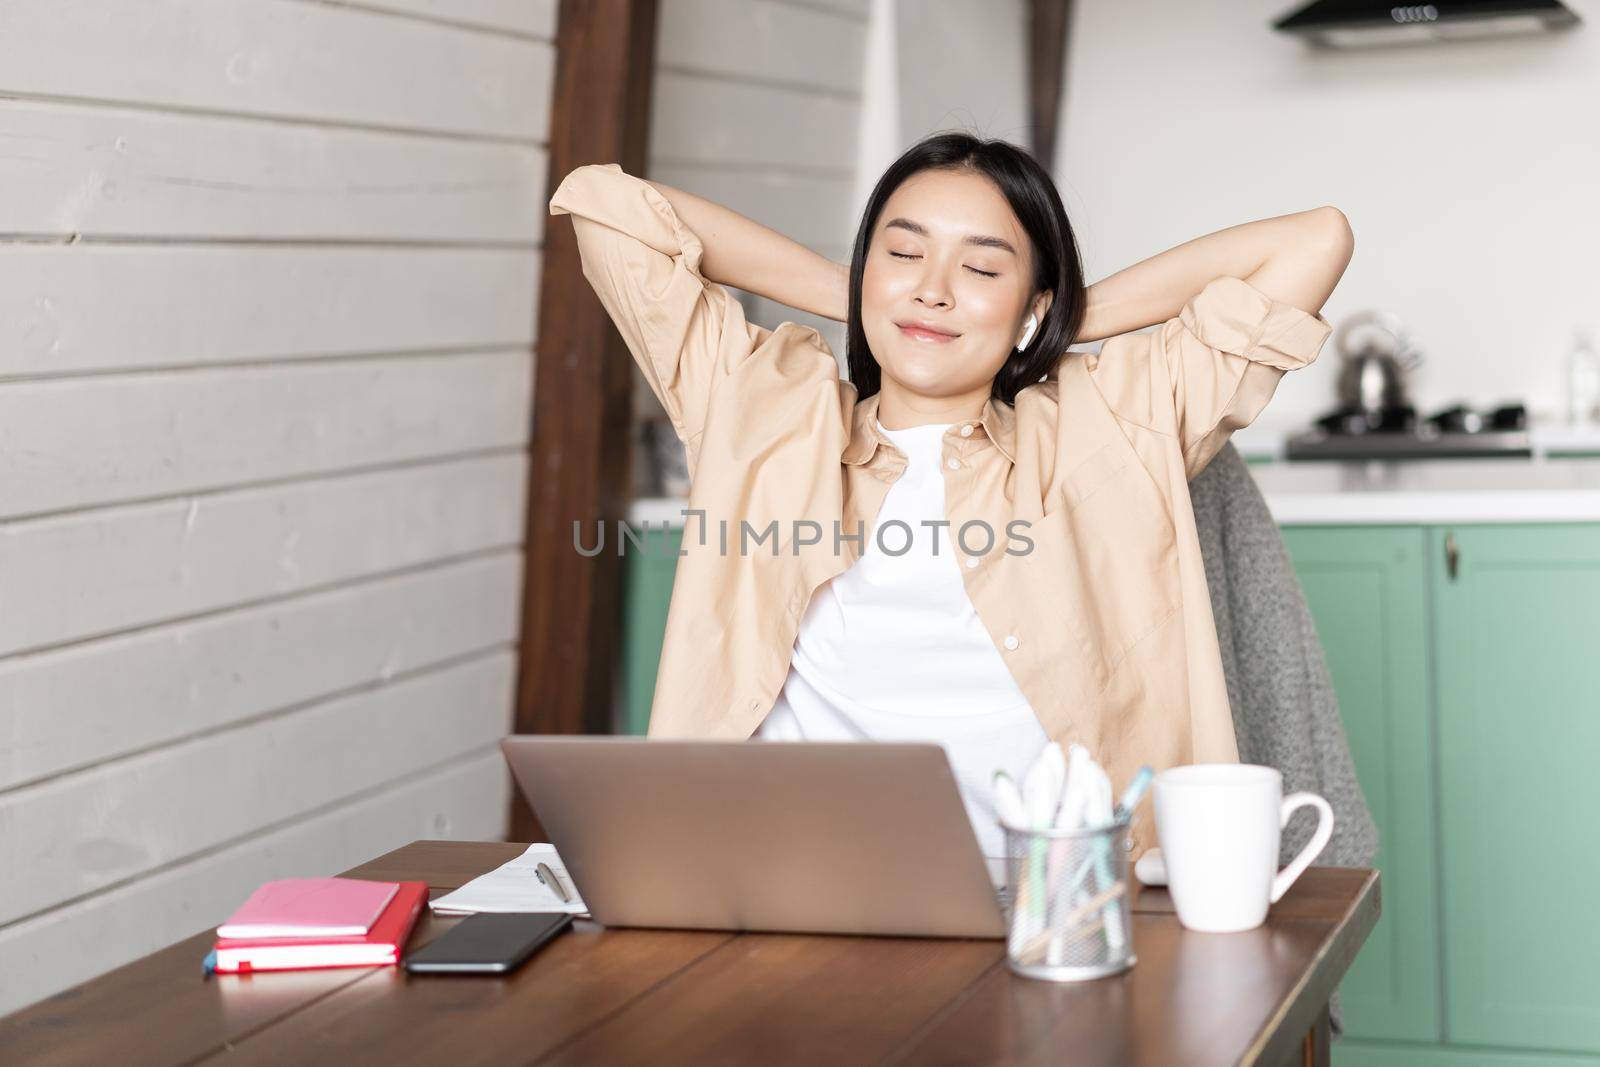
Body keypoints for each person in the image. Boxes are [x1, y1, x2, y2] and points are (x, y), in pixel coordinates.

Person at [547, 131, 1351, 866]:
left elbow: (1313, 241)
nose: (932, 291)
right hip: (778, 880)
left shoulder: (1109, 427)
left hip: (1049, 897)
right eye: (904, 253)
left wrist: (1051, 318)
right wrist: (866, 294)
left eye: (981, 268)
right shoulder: (761, 410)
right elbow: (605, 205)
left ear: (1030, 299)